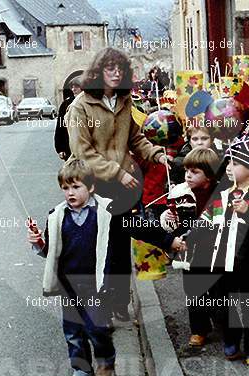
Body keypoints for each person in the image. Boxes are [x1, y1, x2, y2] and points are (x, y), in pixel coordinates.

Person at [27, 160, 185, 376]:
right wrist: (39, 242)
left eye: (76, 187)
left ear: (90, 188)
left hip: (96, 284)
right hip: (68, 284)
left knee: (97, 329)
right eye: (65, 188)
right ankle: (81, 373)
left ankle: (106, 361)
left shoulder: (109, 211)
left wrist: (170, 241)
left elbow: (140, 227)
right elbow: (51, 251)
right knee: (73, 331)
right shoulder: (56, 216)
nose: (70, 193)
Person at [66, 47, 171, 322]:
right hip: (95, 186)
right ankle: (99, 305)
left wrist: (156, 154)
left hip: (125, 187)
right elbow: (82, 152)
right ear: (98, 72)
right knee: (101, 247)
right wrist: (117, 172)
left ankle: (120, 302)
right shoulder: (80, 106)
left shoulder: (125, 102)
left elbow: (135, 138)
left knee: (122, 244)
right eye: (109, 68)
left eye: (120, 68)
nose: (116, 73)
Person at [189, 135, 249, 365]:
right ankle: (231, 339)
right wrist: (191, 236)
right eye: (227, 162)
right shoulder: (223, 190)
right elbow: (208, 217)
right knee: (221, 302)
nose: (228, 168)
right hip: (222, 256)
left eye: (235, 163)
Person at [160, 148, 222, 347]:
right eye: (187, 170)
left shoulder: (218, 194)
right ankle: (199, 329)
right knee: (194, 291)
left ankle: (221, 321)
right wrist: (167, 219)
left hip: (213, 251)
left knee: (217, 290)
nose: (188, 175)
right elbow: (173, 223)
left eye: (195, 172)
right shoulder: (180, 192)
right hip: (188, 252)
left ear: (209, 176)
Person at [55, 77, 82, 160]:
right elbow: (60, 127)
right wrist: (60, 148)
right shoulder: (66, 104)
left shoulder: (91, 102)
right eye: (72, 87)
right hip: (69, 144)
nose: (73, 89)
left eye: (76, 87)